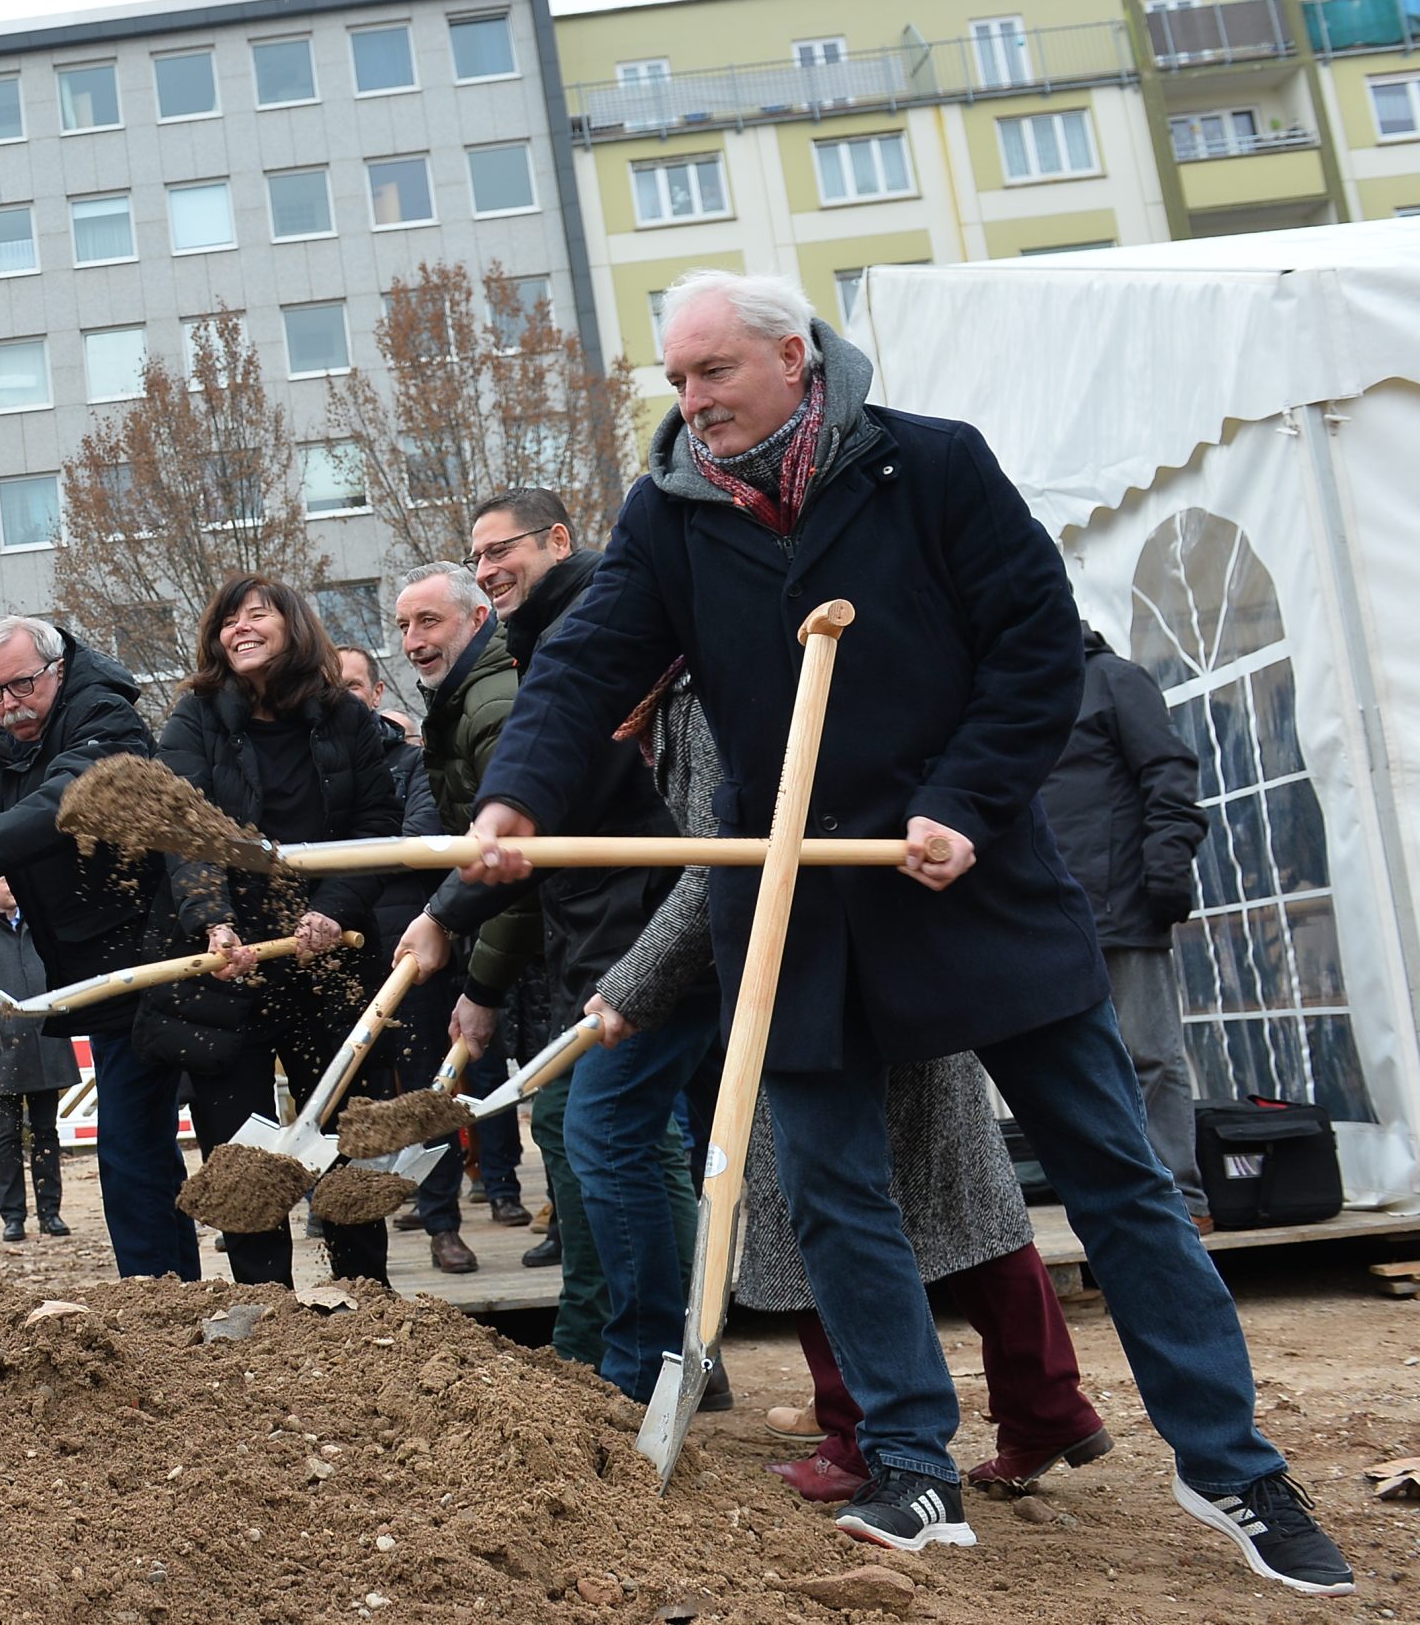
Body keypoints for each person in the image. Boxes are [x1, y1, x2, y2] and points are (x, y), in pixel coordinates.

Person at [459, 267, 1350, 1593]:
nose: (695, 403)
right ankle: (911, 1458)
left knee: (1115, 1175)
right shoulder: (673, 513)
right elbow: (588, 659)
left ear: (794, 355)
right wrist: (516, 793)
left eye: (717, 374)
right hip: (806, 905)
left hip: (969, 880)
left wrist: (964, 801)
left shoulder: (927, 465)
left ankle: (1227, 1459)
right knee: (833, 1192)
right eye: (679, 381)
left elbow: (1038, 648)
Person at [605, 666, 1106, 1506]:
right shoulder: (692, 690)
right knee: (960, 1195)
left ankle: (858, 1431)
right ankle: (1046, 1400)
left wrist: (629, 988)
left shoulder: (707, 695)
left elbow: (718, 868)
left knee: (818, 1200)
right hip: (888, 949)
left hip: (810, 966)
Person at [402, 488, 716, 1398]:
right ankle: (662, 1356)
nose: (491, 566)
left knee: (608, 1131)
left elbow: (553, 804)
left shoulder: (588, 632)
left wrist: (446, 915)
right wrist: (446, 917)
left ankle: (643, 1361)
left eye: (503, 549)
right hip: (621, 929)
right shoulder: (548, 633)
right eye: (479, 554)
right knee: (625, 1135)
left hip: (651, 928)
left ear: (561, 541)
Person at [0, 616, 195, 1277]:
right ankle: (175, 1288)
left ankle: (152, 1294)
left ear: (58, 668)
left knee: (127, 1144)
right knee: (146, 1142)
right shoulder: (12, 740)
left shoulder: (106, 720)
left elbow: (61, 800)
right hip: (94, 961)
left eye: (21, 686)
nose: (9, 704)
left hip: (148, 957)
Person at [145, 575, 402, 1290]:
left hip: (328, 959)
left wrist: (335, 907)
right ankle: (265, 1308)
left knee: (347, 1139)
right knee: (239, 1153)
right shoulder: (194, 717)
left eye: (256, 614)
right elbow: (182, 823)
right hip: (231, 967)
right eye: (228, 619)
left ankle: (365, 1297)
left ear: (294, 626)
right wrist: (212, 921)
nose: (240, 627)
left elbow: (378, 826)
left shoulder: (345, 718)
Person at [1042, 622, 1213, 1229]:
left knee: (1149, 1056)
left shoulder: (1114, 680)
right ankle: (1118, 1204)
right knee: (1072, 1071)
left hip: (1121, 904)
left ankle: (1182, 1205)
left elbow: (1169, 774)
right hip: (1044, 915)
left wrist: (1164, 868)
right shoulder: (1015, 693)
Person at [392, 563, 536, 1241]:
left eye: (429, 621)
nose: (413, 640)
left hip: (554, 937)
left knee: (587, 1131)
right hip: (513, 931)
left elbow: (510, 858)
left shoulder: (489, 706)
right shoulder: (454, 702)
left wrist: (480, 983)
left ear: (477, 619)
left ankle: (608, 1318)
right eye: (403, 626)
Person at [338, 642, 477, 1274]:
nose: (342, 696)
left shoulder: (412, 762)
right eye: (329, 685)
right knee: (342, 1087)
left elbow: (421, 842)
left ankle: (443, 1223)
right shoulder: (317, 764)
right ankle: (340, 1207)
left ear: (374, 694)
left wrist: (353, 859)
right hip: (339, 952)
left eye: (353, 685)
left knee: (430, 1091)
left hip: (412, 950)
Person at [0, 877, 80, 1242]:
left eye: (13, 879)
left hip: (44, 1039)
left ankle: (50, 1211)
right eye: (1, 880)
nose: (9, 886)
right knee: (6, 1136)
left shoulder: (41, 923)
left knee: (45, 1131)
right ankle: (13, 1216)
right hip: (3, 1046)